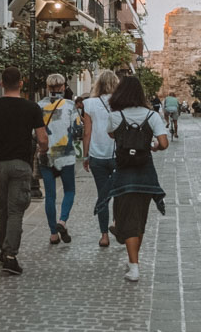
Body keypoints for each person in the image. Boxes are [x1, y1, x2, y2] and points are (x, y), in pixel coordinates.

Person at [0, 66, 47, 275]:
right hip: (21, 165)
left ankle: (3, 247)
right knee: (16, 211)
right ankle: (10, 255)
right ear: (21, 84)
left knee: (3, 208)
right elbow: (42, 138)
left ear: (1, 84)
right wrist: (43, 150)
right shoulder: (31, 108)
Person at [102, 75, 169, 282]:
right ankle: (133, 260)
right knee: (139, 219)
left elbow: (112, 135)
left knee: (128, 218)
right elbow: (164, 143)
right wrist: (152, 146)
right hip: (146, 173)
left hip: (124, 172)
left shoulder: (115, 116)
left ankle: (134, 266)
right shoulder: (152, 116)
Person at [80, 70, 121, 248]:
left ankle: (104, 235)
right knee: (119, 193)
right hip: (118, 155)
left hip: (97, 155)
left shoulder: (88, 104)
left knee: (102, 195)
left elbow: (87, 132)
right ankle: (117, 223)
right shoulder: (121, 103)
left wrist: (85, 155)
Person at [39, 74, 79, 245]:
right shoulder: (70, 105)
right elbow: (77, 130)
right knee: (69, 190)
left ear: (48, 87)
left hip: (46, 154)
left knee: (50, 195)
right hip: (66, 154)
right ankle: (62, 221)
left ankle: (53, 234)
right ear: (63, 87)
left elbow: (35, 132)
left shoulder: (39, 106)